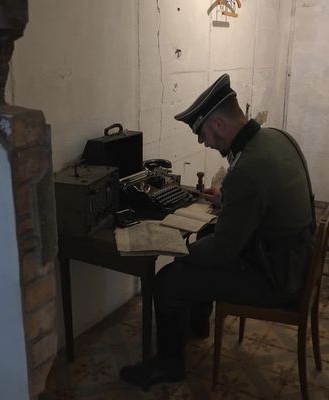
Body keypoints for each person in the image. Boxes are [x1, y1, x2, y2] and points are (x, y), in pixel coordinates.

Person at [119, 73, 315, 388]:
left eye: (203, 135)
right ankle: (197, 325)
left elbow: (224, 250)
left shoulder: (248, 169)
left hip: (276, 278)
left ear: (219, 126)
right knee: (204, 236)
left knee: (168, 278)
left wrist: (177, 250)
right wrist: (227, 200)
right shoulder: (277, 138)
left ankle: (169, 364)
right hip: (295, 259)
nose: (204, 143)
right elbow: (267, 199)